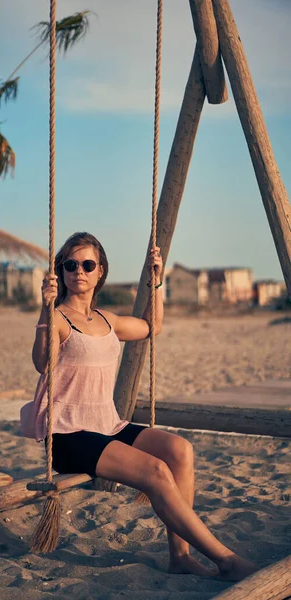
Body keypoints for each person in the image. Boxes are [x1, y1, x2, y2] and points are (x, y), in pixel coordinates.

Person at [21, 231, 258, 581]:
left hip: (106, 425)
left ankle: (180, 557)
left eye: (87, 264)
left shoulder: (107, 320)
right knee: (156, 473)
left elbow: (152, 327)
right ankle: (226, 559)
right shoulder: (57, 319)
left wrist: (156, 283)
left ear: (101, 271)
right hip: (68, 434)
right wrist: (45, 308)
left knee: (179, 450)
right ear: (61, 271)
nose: (79, 271)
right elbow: (42, 363)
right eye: (70, 265)